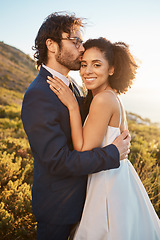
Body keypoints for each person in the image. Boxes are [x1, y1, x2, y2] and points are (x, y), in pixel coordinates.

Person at [21, 13, 131, 240]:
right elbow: (58, 162)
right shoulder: (39, 95)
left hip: (89, 202)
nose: (82, 48)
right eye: (75, 41)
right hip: (59, 212)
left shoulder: (75, 88)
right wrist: (112, 153)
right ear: (51, 45)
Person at [47, 37, 160, 239]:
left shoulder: (103, 99)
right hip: (116, 177)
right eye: (84, 64)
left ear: (112, 69)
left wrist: (72, 106)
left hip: (106, 183)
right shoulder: (111, 95)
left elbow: (82, 149)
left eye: (96, 64)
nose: (87, 71)